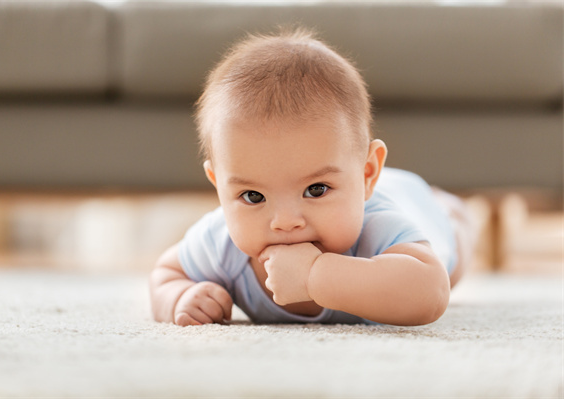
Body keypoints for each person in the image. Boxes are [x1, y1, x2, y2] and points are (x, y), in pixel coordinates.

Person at [149, 28, 477, 326]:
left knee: (454, 251)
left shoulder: (378, 228)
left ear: (366, 173)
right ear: (218, 185)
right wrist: (180, 297)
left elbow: (429, 292)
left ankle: (455, 212)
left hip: (413, 202)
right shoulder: (219, 243)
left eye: (316, 189)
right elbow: (167, 272)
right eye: (253, 196)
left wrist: (314, 275)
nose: (285, 222)